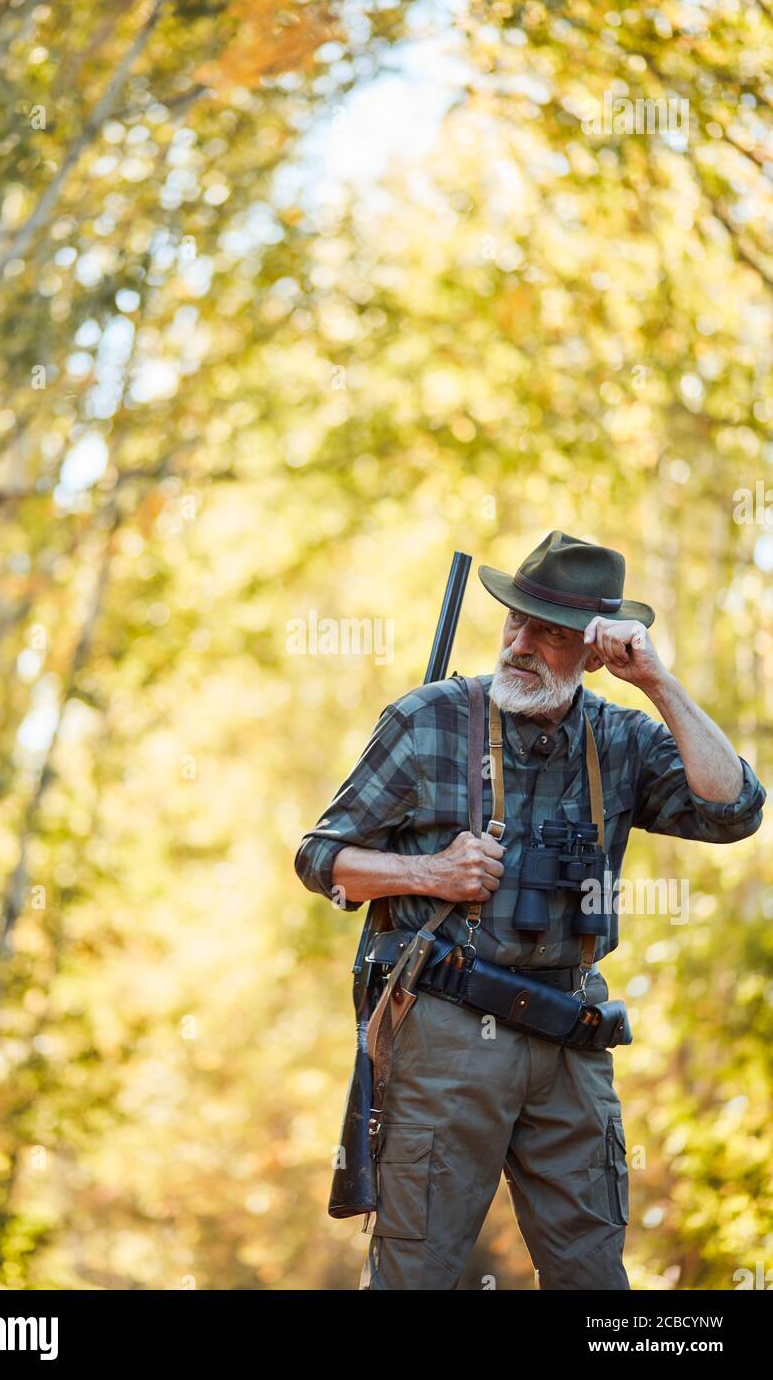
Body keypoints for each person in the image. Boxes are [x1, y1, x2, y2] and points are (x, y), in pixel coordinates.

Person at [294, 530, 766, 1291]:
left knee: (594, 1280)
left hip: (571, 1036)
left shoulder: (622, 738)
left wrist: (658, 683)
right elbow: (321, 859)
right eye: (516, 619)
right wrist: (431, 872)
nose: (521, 643)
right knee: (414, 1273)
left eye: (550, 633)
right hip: (446, 1032)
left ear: (594, 649)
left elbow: (735, 808)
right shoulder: (429, 720)